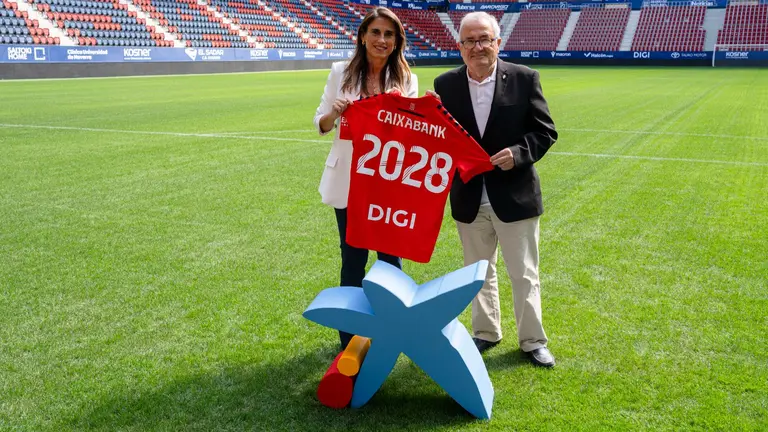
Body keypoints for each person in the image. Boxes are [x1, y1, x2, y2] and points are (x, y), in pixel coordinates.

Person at [432, 12, 558, 367]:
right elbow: (441, 138)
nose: (478, 47)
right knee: (477, 272)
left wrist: (518, 154)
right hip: (470, 197)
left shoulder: (524, 78)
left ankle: (533, 340)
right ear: (460, 47)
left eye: (484, 39)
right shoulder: (446, 85)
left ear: (498, 42)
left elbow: (545, 132)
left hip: (515, 197)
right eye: (470, 41)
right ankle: (486, 332)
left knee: (524, 274)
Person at [313, 7, 419, 350]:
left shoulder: (406, 77)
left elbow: (413, 134)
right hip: (348, 181)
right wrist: (336, 112)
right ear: (362, 35)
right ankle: (350, 339)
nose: (382, 40)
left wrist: (409, 110)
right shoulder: (340, 72)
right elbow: (321, 124)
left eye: (389, 35)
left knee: (390, 259)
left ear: (396, 41)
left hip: (388, 182)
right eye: (375, 32)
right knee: (353, 257)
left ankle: (394, 330)